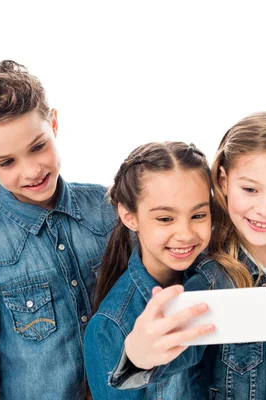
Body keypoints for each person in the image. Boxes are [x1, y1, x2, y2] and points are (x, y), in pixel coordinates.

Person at [112, 112, 266, 400]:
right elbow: (170, 359)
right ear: (224, 182)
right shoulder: (211, 281)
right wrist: (139, 355)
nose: (265, 209)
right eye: (250, 189)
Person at [0, 60, 116, 399]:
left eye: (38, 147)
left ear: (54, 124)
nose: (32, 170)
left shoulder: (110, 208)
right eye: (7, 162)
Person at [84, 142, 214, 399]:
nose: (186, 234)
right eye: (165, 219)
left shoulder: (222, 275)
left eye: (198, 215)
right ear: (129, 217)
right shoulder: (110, 328)